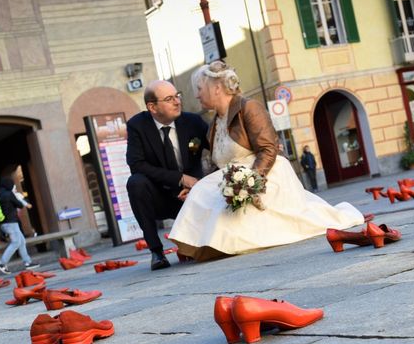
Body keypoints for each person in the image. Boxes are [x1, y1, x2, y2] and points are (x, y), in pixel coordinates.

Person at [169, 61, 363, 261]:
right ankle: (203, 244)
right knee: (201, 192)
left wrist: (250, 183)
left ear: (216, 88)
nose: (197, 95)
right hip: (232, 178)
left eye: (200, 89)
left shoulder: (248, 107)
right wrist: (200, 186)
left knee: (227, 212)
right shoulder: (214, 125)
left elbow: (268, 149)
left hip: (264, 172)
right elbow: (216, 165)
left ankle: (218, 242)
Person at [126, 80, 209, 271]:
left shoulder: (193, 122)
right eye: (169, 98)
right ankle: (156, 251)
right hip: (160, 196)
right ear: (152, 107)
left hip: (193, 193)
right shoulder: (137, 126)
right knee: (135, 183)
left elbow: (219, 148)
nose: (177, 102)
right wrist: (179, 177)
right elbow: (136, 164)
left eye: (177, 96)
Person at [0, 177, 39, 274]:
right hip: (11, 223)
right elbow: (19, 205)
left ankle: (28, 262)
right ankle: (2, 263)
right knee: (15, 242)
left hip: (3, 224)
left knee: (21, 241)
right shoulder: (9, 194)